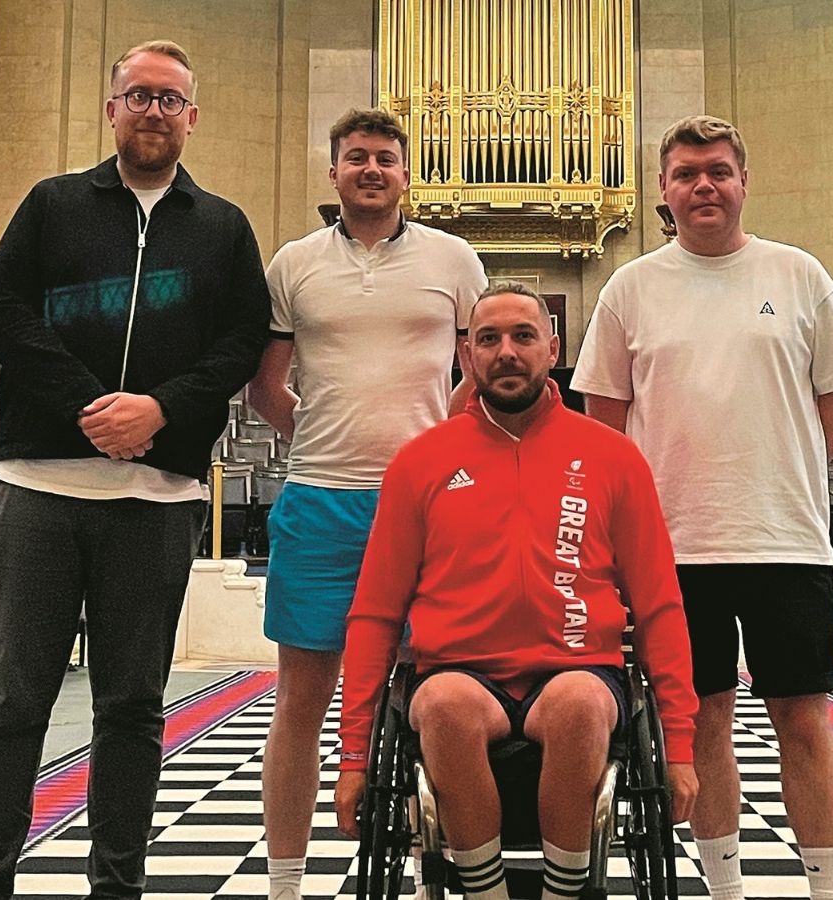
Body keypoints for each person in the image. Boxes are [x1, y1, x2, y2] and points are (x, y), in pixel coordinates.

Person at [0, 41, 272, 900]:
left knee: (130, 711)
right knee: (11, 709)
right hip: (37, 492)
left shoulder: (223, 226)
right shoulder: (52, 204)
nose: (154, 111)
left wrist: (159, 410)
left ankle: (117, 888)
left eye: (170, 99)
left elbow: (241, 341)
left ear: (192, 117)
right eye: (139, 95)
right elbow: (6, 312)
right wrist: (95, 408)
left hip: (155, 501)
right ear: (112, 108)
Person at [572, 115, 833, 900]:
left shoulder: (800, 275)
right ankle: (725, 889)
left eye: (719, 171)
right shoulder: (630, 287)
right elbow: (604, 416)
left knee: (803, 721)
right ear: (663, 191)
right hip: (673, 548)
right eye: (686, 174)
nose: (704, 185)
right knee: (702, 724)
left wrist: (781, 470)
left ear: (742, 181)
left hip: (786, 542)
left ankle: (827, 890)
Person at [334, 283, 700, 900]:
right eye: (489, 339)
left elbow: (660, 606)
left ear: (553, 348)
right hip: (457, 674)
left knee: (579, 703)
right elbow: (374, 614)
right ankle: (486, 893)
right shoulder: (420, 462)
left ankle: (563, 891)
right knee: (446, 705)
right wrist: (352, 759)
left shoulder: (614, 457)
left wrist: (682, 746)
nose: (507, 352)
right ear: (466, 356)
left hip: (580, 669)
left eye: (523, 336)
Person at [247, 108, 486, 900]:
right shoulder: (294, 264)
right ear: (335, 172)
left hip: (428, 507)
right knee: (301, 698)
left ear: (405, 172)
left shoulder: (453, 259)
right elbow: (265, 385)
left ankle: (435, 870)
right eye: (357, 158)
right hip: (319, 500)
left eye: (385, 157)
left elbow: (482, 369)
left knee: (434, 696)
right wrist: (317, 432)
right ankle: (285, 883)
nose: (371, 169)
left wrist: (433, 447)